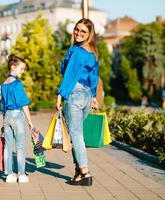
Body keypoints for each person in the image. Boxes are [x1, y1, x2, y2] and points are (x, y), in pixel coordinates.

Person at [56, 18, 99, 186]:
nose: (79, 33)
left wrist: (61, 94)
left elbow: (70, 75)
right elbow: (94, 76)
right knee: (76, 136)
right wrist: (93, 96)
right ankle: (78, 174)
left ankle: (85, 172)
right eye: (77, 30)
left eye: (83, 32)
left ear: (89, 35)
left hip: (74, 93)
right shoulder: (92, 52)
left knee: (76, 135)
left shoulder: (78, 51)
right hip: (87, 95)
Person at [1, 54, 34, 183]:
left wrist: (3, 121)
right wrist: (30, 121)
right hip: (17, 116)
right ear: (13, 67)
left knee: (7, 147)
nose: (23, 71)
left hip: (7, 116)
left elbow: (3, 105)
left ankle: (9, 174)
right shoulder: (17, 84)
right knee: (20, 147)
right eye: (21, 69)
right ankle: (21, 174)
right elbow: (23, 104)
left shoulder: (4, 85)